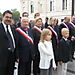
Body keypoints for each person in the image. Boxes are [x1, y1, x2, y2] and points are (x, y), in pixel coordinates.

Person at [0, 10, 16, 75]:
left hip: (12, 58)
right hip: (1, 59)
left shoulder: (13, 28)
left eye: (10, 18)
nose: (8, 19)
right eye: (7, 17)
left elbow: (15, 42)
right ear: (2, 17)